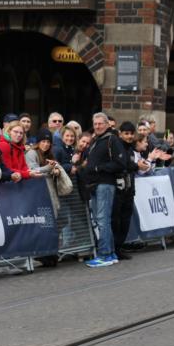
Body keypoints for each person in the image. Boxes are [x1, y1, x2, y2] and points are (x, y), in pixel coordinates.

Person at [78, 112, 125, 267]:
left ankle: (104, 255)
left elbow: (120, 163)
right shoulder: (96, 141)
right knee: (102, 220)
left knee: (103, 220)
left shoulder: (112, 139)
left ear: (107, 124)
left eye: (100, 123)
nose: (97, 126)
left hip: (105, 184)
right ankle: (110, 254)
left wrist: (99, 168)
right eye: (95, 123)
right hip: (95, 185)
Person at [111, 122, 140, 260]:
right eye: (126, 133)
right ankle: (114, 248)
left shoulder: (131, 148)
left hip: (129, 190)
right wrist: (136, 166)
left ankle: (119, 247)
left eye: (131, 133)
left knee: (125, 221)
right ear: (120, 133)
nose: (129, 136)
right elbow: (121, 165)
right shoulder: (117, 147)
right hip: (118, 190)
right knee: (116, 221)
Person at [25, 128, 70, 214]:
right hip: (36, 193)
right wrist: (49, 168)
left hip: (48, 192)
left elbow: (51, 169)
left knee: (51, 218)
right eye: (43, 141)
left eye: (48, 142)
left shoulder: (49, 154)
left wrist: (56, 171)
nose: (46, 144)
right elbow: (33, 171)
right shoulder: (31, 153)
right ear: (38, 142)